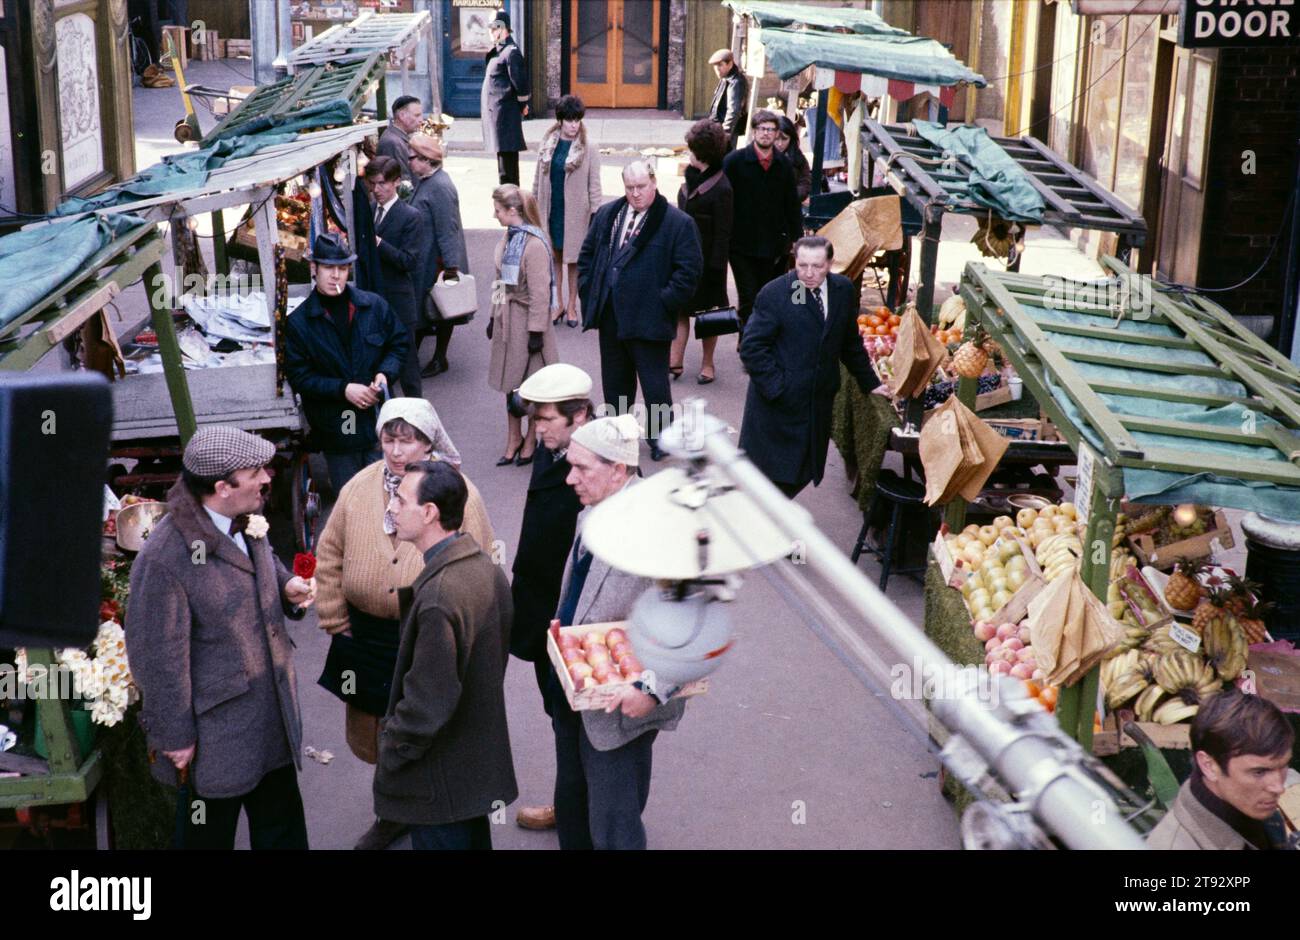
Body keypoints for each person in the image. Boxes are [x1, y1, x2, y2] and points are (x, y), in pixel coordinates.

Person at [124, 426, 317, 849]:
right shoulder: (165, 558)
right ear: (222, 487)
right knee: (206, 838)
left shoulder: (243, 517)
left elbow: (260, 562)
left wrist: (285, 586)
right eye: (255, 473)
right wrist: (174, 737)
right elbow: (156, 657)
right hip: (217, 737)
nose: (267, 478)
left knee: (282, 831)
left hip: (271, 715)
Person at [545, 415, 689, 850]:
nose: (570, 479)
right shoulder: (595, 506)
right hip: (577, 686)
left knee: (614, 822)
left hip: (621, 704)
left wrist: (651, 689)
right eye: (569, 465)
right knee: (572, 800)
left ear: (619, 470)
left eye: (581, 468)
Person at [370, 460, 517, 850]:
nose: (392, 509)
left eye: (400, 501)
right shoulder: (484, 569)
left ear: (430, 512)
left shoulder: (439, 597)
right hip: (471, 769)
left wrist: (391, 750)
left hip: (438, 781)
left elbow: (426, 703)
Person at [508, 364, 596, 832]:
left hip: (572, 623)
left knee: (576, 726)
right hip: (541, 611)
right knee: (560, 719)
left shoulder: (596, 467)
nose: (536, 429)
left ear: (579, 415)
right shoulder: (556, 446)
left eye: (545, 420)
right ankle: (575, 808)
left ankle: (580, 817)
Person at [577, 160, 702, 462]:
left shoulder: (677, 222)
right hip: (611, 317)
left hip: (650, 318)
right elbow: (587, 257)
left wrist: (663, 302)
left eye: (641, 187)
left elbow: (689, 272)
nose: (635, 194)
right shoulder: (608, 214)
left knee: (655, 385)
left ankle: (661, 439)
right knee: (615, 382)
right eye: (629, 187)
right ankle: (620, 434)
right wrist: (589, 291)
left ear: (654, 182)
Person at [739, 236, 879, 499]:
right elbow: (752, 348)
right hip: (777, 409)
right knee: (769, 479)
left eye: (817, 266)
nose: (809, 273)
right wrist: (779, 388)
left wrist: (871, 382)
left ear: (830, 264)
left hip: (816, 404)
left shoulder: (842, 290)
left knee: (802, 472)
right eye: (802, 266)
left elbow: (849, 342)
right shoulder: (778, 293)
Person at [283, 232, 409, 493]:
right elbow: (300, 376)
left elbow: (398, 344)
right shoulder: (299, 323)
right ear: (313, 268)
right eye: (328, 268)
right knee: (353, 498)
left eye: (342, 268)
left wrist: (385, 374)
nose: (335, 275)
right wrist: (343, 389)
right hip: (339, 423)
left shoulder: (374, 306)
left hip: (379, 421)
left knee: (392, 496)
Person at [1147, 690, 1294, 850]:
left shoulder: (1253, 810)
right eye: (1259, 772)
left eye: (1283, 766)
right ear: (1209, 766)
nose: (1279, 787)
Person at [488, 184, 559, 467]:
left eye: (498, 210)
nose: (494, 215)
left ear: (513, 211)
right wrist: (493, 316)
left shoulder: (534, 244)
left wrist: (536, 332)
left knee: (530, 385)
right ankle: (513, 437)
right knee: (510, 382)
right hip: (507, 319)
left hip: (527, 322)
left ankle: (531, 438)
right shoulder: (509, 237)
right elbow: (498, 281)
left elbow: (541, 293)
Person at [723, 108, 803, 333]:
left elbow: (791, 204)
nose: (767, 134)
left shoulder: (784, 165)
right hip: (740, 243)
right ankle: (747, 343)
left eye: (771, 130)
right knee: (748, 295)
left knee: (766, 294)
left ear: (777, 133)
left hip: (773, 243)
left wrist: (796, 238)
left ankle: (760, 340)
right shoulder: (735, 161)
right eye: (762, 129)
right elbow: (724, 199)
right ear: (754, 132)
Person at [670, 119, 733, 386]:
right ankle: (675, 360)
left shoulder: (722, 187)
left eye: (691, 149)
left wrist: (717, 265)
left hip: (709, 263)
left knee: (711, 315)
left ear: (702, 154)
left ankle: (708, 364)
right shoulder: (691, 178)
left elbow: (724, 231)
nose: (688, 153)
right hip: (685, 258)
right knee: (680, 310)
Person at [533, 95, 603, 329]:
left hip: (575, 214)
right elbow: (537, 181)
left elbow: (595, 185)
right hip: (551, 210)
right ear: (560, 120)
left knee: (573, 261)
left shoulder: (589, 147)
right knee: (553, 259)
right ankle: (558, 304)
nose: (575, 125)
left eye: (578, 120)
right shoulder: (547, 143)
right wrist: (532, 209)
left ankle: (572, 305)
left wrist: (596, 213)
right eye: (570, 120)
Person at [408, 133, 471, 379]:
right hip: (428, 258)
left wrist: (451, 267)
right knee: (429, 308)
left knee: (443, 308)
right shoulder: (427, 181)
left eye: (413, 158)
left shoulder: (440, 186)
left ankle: (439, 357)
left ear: (426, 160)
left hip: (438, 261)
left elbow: (448, 229)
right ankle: (423, 357)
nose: (409, 162)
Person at [364, 155, 427, 399]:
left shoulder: (410, 216)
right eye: (373, 184)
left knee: (408, 363)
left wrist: (379, 244)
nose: (376, 189)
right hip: (374, 299)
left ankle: (416, 414)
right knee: (378, 360)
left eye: (382, 183)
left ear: (396, 182)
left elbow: (409, 262)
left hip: (399, 300)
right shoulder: (369, 211)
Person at [482, 10, 530, 186]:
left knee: (507, 168)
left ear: (505, 29)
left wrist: (523, 104)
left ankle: (511, 201)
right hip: (499, 116)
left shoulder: (511, 52)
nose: (492, 32)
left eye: (496, 28)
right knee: (504, 164)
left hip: (505, 117)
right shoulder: (498, 50)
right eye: (491, 28)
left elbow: (521, 83)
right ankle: (507, 197)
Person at [707, 48, 748, 152]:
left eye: (720, 65)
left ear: (730, 64)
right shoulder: (725, 78)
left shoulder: (736, 82)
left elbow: (733, 110)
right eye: (715, 66)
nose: (717, 69)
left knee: (725, 158)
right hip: (717, 127)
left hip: (725, 129)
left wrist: (726, 131)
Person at [378, 95, 422, 182]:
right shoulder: (393, 143)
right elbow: (403, 183)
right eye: (417, 115)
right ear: (402, 116)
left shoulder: (396, 138)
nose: (421, 120)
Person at [775, 115, 813, 204]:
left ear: (791, 138)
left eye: (784, 139)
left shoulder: (798, 157)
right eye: (776, 139)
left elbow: (805, 183)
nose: (780, 144)